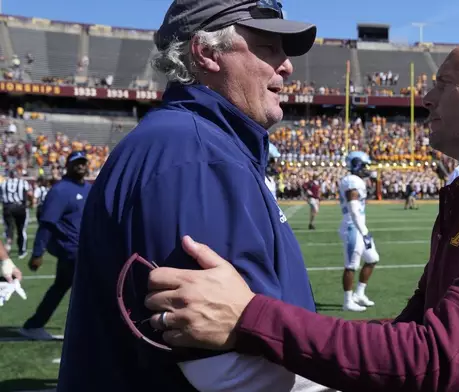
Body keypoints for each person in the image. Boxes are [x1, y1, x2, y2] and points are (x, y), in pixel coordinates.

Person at [144, 38, 459, 392]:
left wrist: (249, 316)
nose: (425, 97)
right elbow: (408, 332)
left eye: (444, 84)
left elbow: (435, 359)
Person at [57, 1, 330, 391]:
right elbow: (230, 368)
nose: (286, 65)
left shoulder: (195, 143)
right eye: (268, 48)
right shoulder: (196, 153)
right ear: (206, 52)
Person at [19, 151, 91, 341]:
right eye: (77, 163)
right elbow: (47, 224)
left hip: (84, 249)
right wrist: (37, 253)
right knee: (90, 290)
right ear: (67, 165)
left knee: (61, 288)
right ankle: (89, 331)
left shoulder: (88, 188)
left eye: (83, 162)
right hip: (71, 251)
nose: (81, 166)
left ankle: (34, 325)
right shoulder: (60, 190)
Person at [337, 151, 379, 312]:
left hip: (359, 226)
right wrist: (364, 232)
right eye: (364, 165)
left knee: (372, 258)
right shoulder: (352, 181)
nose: (366, 169)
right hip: (353, 227)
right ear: (357, 164)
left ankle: (359, 294)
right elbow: (354, 209)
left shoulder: (357, 180)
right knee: (351, 265)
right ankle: (348, 301)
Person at [1, 168, 32, 258]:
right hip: (20, 207)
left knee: (9, 228)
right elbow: (29, 194)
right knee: (21, 230)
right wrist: (30, 203)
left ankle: (8, 244)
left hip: (7, 207)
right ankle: (21, 251)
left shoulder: (3, 184)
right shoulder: (23, 183)